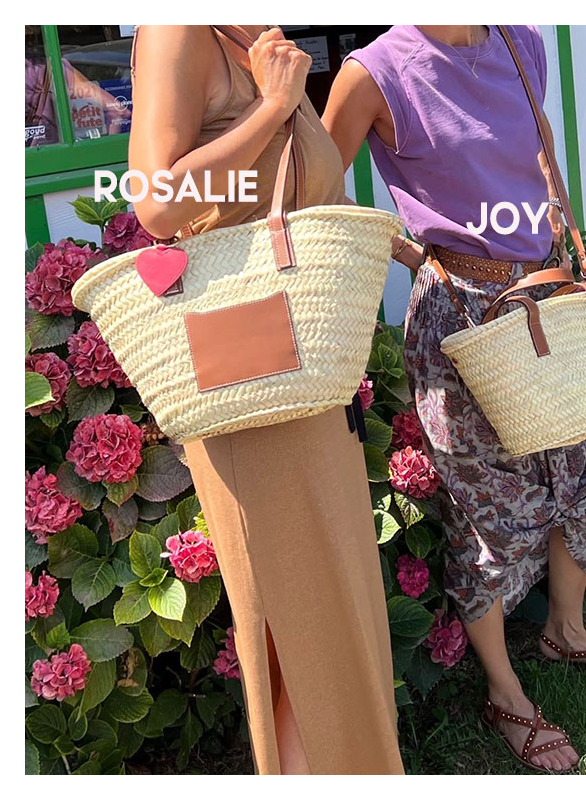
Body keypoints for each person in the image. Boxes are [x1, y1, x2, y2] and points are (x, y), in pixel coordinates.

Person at [323, 24, 586, 773]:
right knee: (490, 513)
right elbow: (318, 184)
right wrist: (410, 250)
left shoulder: (519, 39)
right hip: (460, 315)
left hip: (547, 296)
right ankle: (504, 691)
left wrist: (567, 249)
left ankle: (565, 629)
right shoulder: (372, 72)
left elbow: (537, 160)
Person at [128, 24, 404, 776]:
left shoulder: (268, 38)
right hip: (247, 374)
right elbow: (155, 203)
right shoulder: (183, 32)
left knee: (334, 617)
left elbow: (301, 199)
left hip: (309, 377)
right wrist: (272, 106)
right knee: (297, 624)